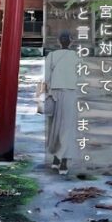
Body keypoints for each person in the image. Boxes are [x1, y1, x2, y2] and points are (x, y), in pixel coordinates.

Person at [39, 31, 78, 175]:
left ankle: (56, 159)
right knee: (67, 127)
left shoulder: (52, 56)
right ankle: (64, 163)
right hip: (70, 92)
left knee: (54, 126)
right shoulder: (76, 57)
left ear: (58, 41)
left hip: (54, 92)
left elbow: (46, 77)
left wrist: (46, 91)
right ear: (71, 41)